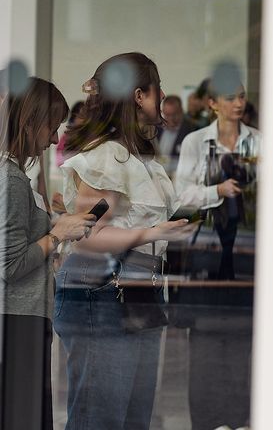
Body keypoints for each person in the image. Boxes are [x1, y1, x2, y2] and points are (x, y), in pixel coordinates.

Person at [53, 52, 196, 430]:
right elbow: (88, 235)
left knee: (132, 418)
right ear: (138, 95)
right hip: (102, 294)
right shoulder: (108, 154)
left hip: (136, 293)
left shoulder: (136, 156)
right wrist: (152, 233)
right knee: (100, 419)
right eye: (157, 88)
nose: (162, 95)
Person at [0, 77, 97, 430]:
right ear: (28, 123)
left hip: (23, 317)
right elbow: (10, 265)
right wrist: (57, 235)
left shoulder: (14, 176)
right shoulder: (10, 179)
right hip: (17, 319)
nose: (55, 139)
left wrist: (56, 225)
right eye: (51, 127)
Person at [175, 61, 261, 430]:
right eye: (231, 98)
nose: (238, 103)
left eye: (242, 96)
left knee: (244, 341)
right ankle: (208, 421)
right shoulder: (196, 142)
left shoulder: (259, 141)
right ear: (213, 104)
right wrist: (217, 190)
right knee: (206, 342)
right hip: (207, 247)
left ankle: (240, 420)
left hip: (246, 247)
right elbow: (181, 195)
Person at [156, 95, 196, 178]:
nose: (170, 119)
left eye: (174, 115)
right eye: (167, 115)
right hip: (157, 176)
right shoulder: (155, 128)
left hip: (180, 177)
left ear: (181, 111)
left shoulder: (191, 130)